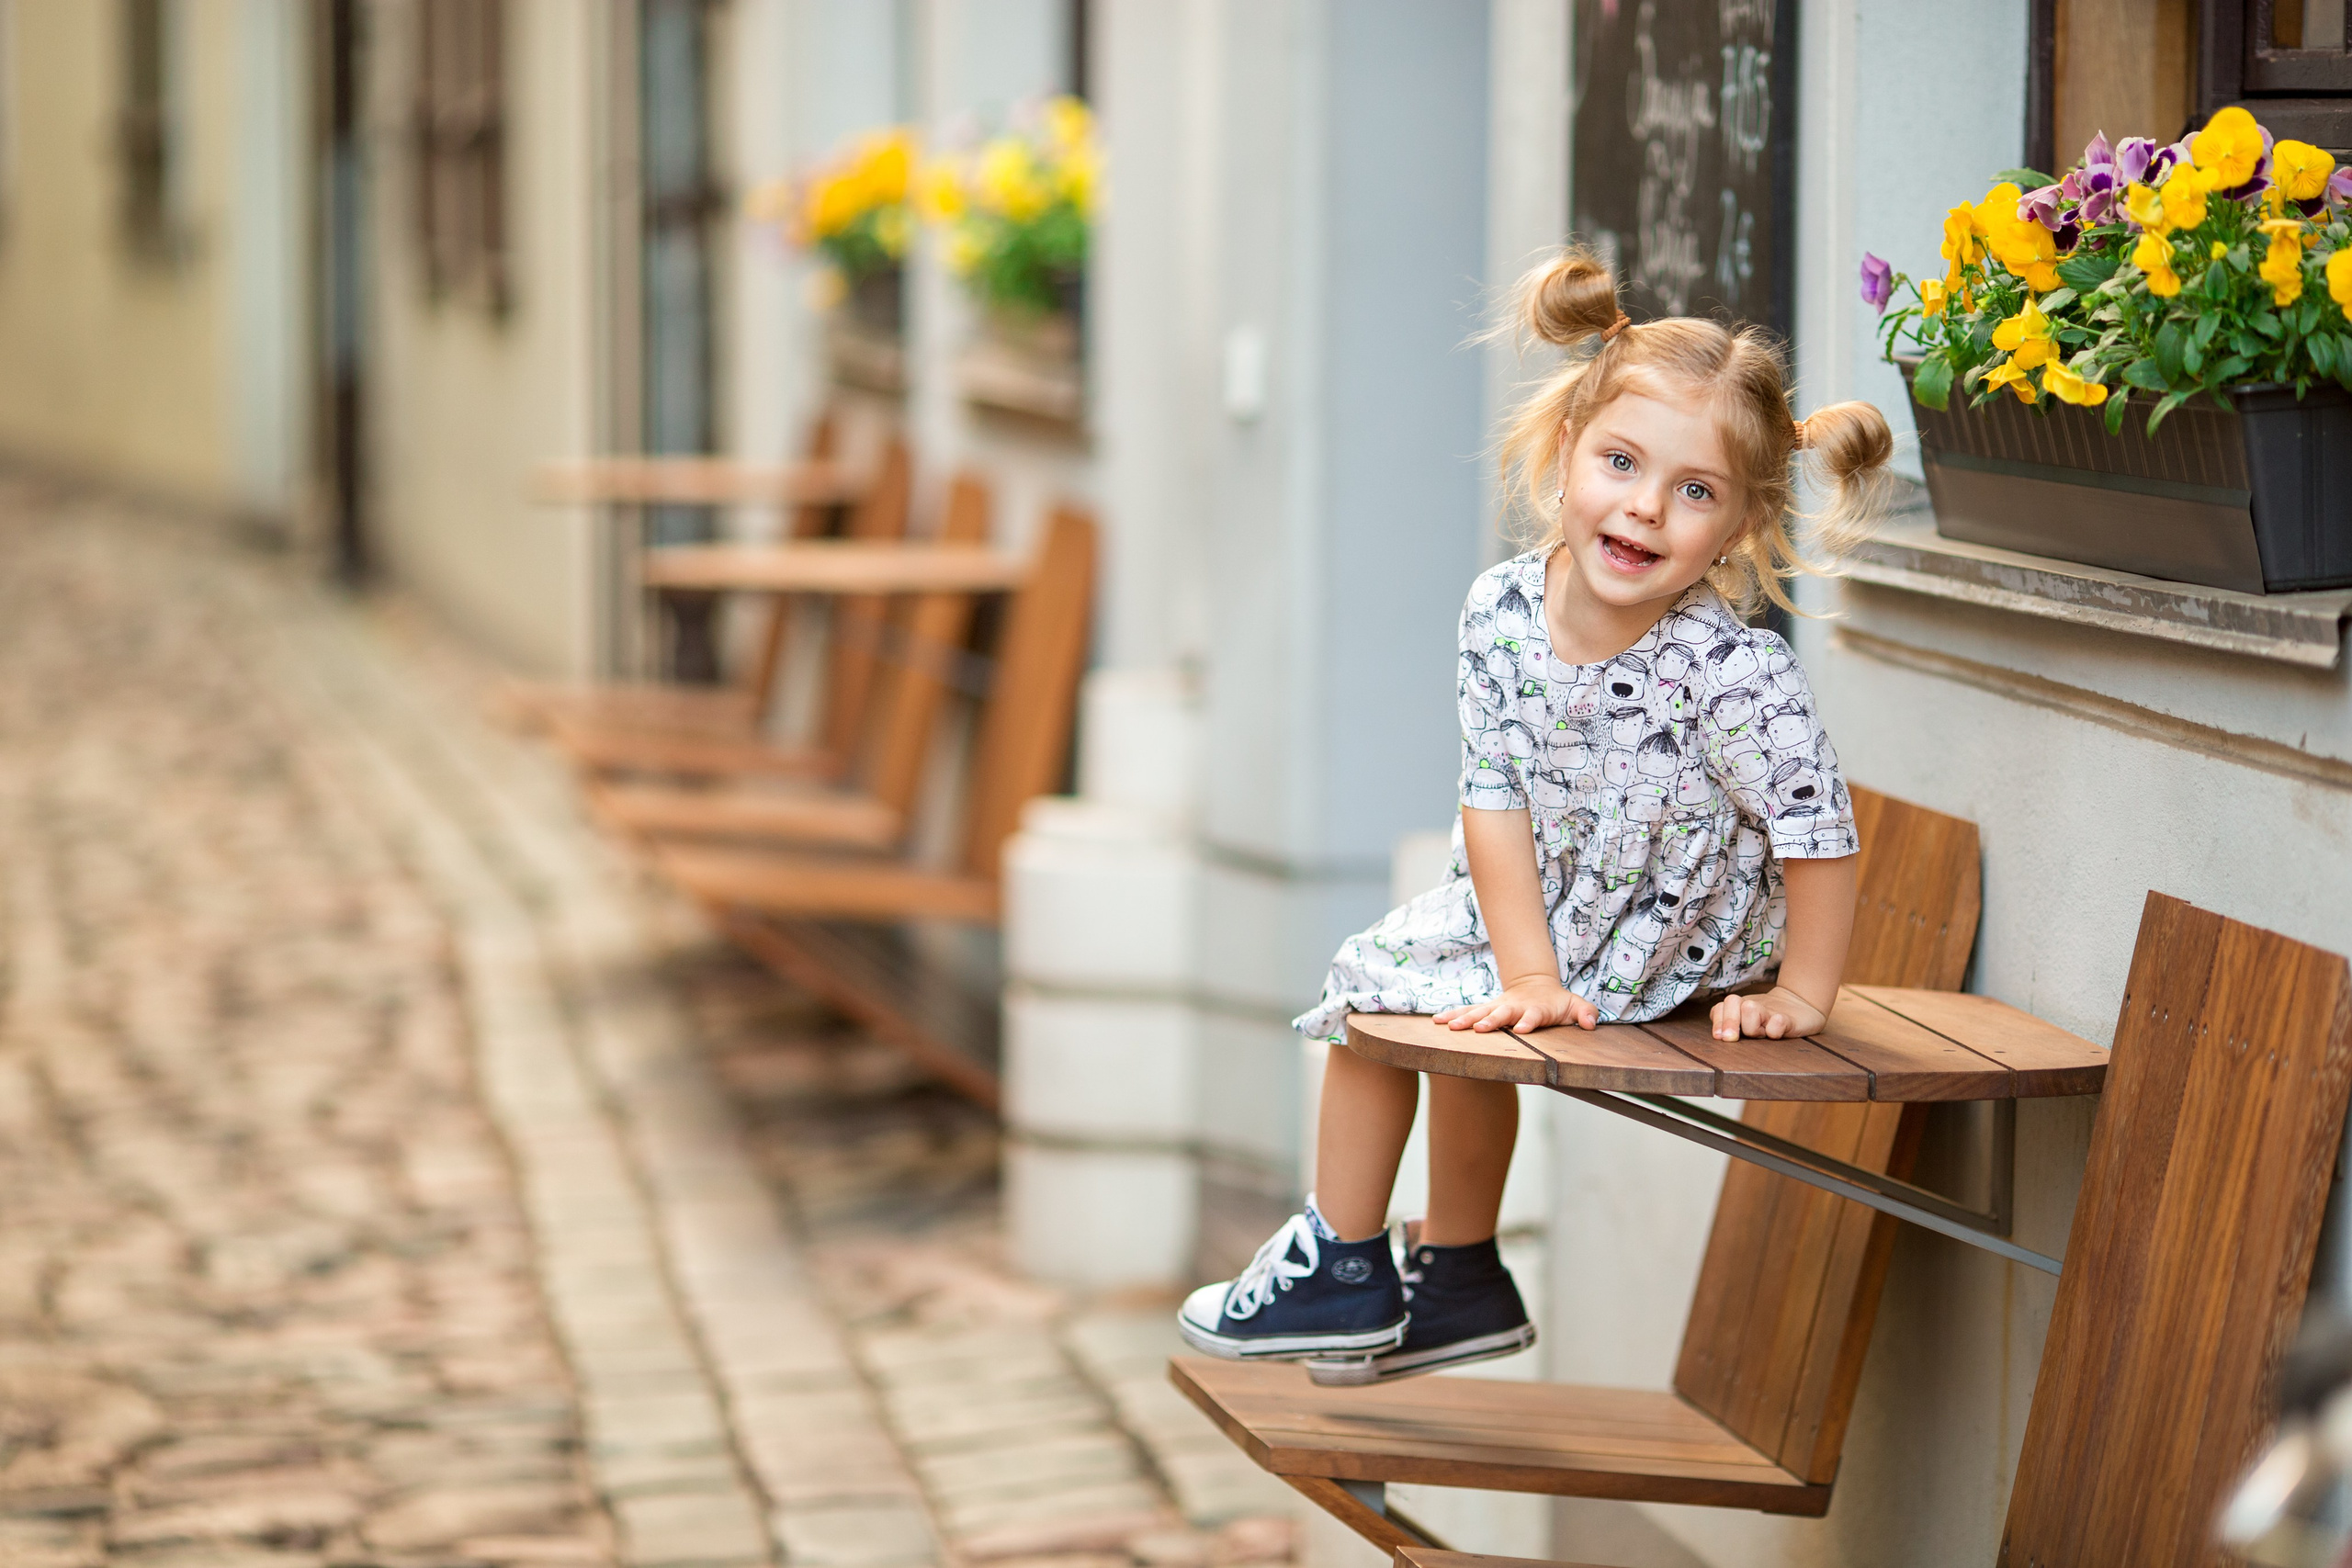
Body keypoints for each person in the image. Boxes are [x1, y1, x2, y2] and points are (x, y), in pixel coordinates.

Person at [1175, 248, 1896, 1385]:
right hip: (1548, 908)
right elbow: (1493, 799)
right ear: (1566, 453)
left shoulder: (1732, 670)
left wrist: (1802, 991)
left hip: (1674, 927)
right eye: (1621, 462)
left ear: (1740, 522)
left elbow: (1817, 832)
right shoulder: (1503, 608)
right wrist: (1522, 971)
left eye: (1695, 491)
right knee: (1420, 992)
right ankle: (1457, 1276)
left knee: (1375, 993)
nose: (1646, 507)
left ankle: (1344, 1263)